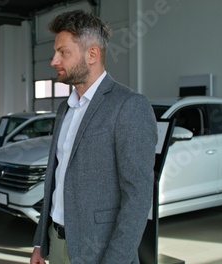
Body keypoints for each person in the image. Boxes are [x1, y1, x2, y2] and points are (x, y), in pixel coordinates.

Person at [30, 10, 157, 264]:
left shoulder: (129, 106)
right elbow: (55, 180)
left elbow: (138, 197)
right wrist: (39, 243)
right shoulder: (65, 108)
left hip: (100, 251)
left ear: (92, 54)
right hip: (56, 242)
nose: (54, 61)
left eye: (63, 52)